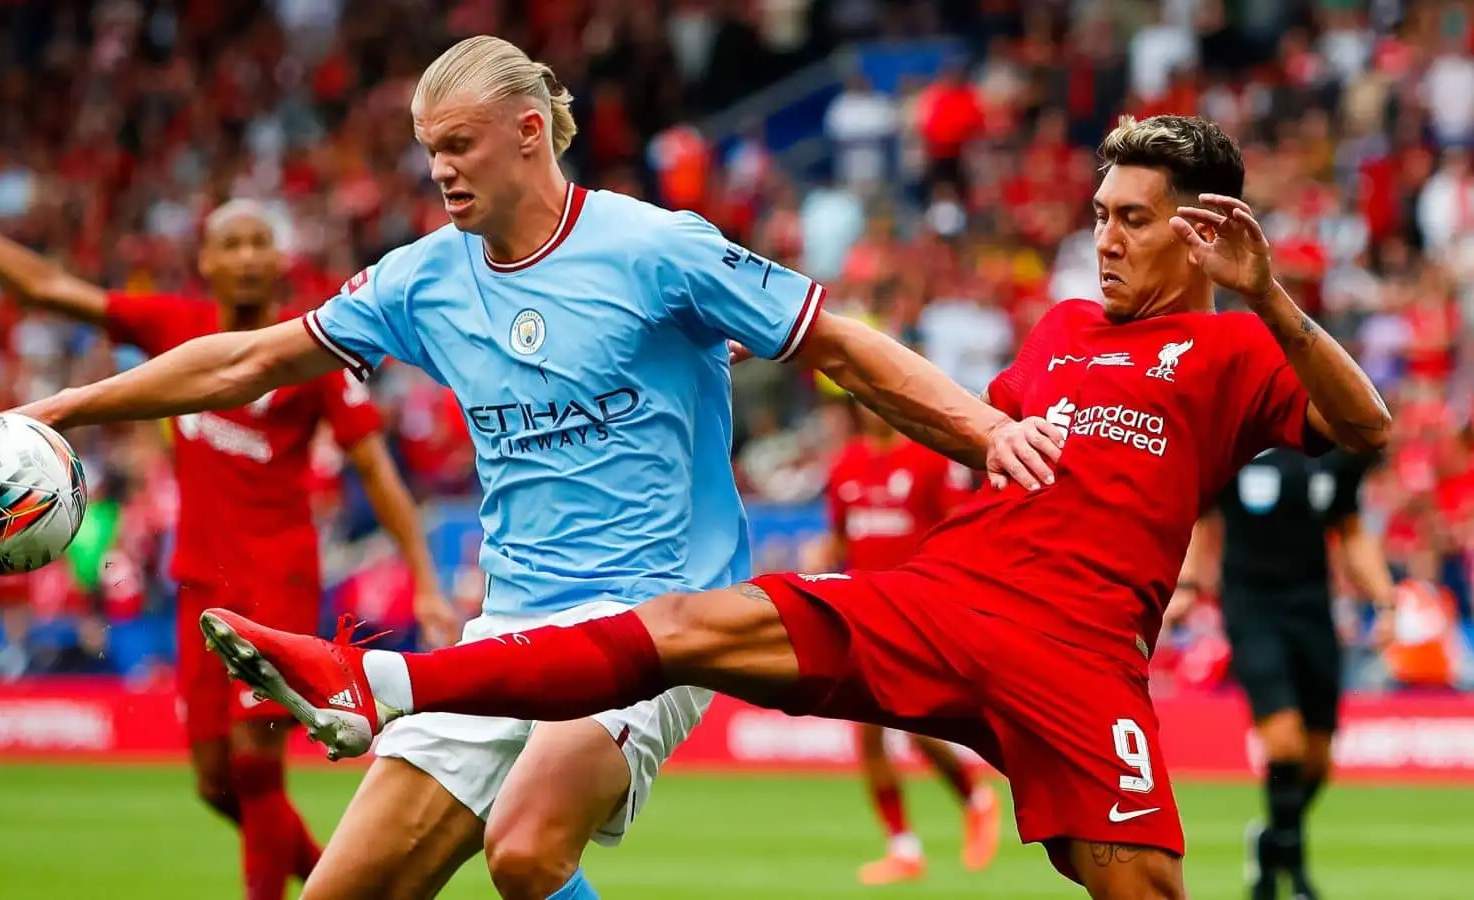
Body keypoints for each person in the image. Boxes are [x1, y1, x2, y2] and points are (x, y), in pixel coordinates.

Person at [183, 114, 1391, 900]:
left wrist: (1272, 299)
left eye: (1132, 221)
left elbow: (1366, 429)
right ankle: (382, 683)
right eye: (1099, 218)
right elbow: (983, 436)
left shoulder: (1235, 350)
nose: (1105, 244)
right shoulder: (1065, 333)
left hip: (1078, 656)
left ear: (1202, 232)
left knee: (1141, 891)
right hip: (949, 596)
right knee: (696, 626)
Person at [10, 35, 1063, 900]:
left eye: (459, 146)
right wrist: (69, 407)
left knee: (523, 851)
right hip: (505, 634)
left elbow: (835, 342)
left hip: (663, 617)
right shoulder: (420, 279)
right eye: (429, 153)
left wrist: (983, 432)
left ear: (529, 133)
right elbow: (249, 357)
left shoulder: (659, 247)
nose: (442, 172)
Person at [0, 158, 452, 900]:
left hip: (276, 575)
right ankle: (352, 890)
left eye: (259, 243)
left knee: (253, 765)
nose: (247, 257)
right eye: (231, 244)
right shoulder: (175, 328)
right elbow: (48, 289)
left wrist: (427, 583)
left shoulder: (311, 348)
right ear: (205, 262)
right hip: (196, 577)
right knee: (215, 783)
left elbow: (375, 469)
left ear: (279, 259)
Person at [1168, 447, 1393, 900]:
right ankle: (1296, 878)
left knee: (1317, 757)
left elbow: (1350, 530)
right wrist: (1189, 584)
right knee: (1284, 738)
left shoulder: (1335, 452)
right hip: (1251, 607)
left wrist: (1384, 600)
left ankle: (1270, 840)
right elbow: (1201, 517)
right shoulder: (1238, 443)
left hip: (1313, 610)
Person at [819, 396, 999, 883]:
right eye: (864, 404)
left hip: (915, 609)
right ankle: (904, 847)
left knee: (918, 728)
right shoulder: (846, 465)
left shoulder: (925, 457)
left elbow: (957, 528)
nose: (873, 410)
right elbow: (839, 538)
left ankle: (976, 798)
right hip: (860, 609)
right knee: (868, 733)